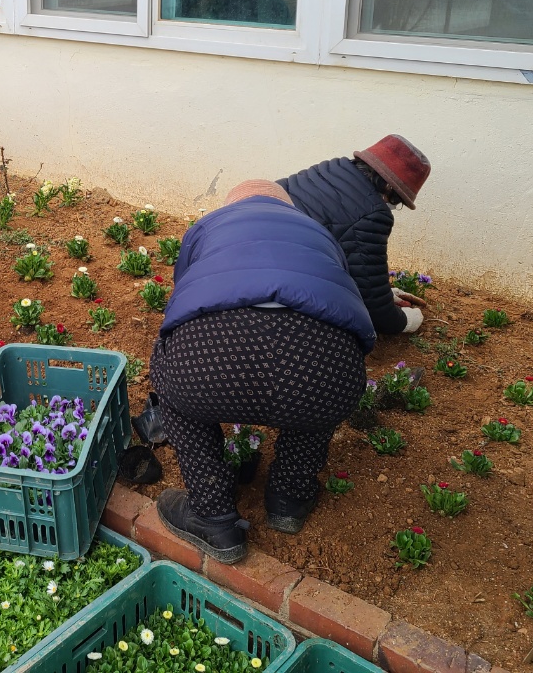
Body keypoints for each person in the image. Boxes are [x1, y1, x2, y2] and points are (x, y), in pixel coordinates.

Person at [150, 179, 376, 564]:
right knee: (323, 379)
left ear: (229, 206)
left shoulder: (208, 226)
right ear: (288, 208)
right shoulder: (319, 232)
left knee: (172, 380)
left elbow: (183, 296)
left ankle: (212, 515)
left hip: (210, 359)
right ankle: (289, 497)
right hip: (323, 368)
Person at [279, 135, 431, 335]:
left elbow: (352, 257)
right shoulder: (371, 214)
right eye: (397, 200)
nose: (393, 206)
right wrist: (406, 321)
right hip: (271, 297)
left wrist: (382, 293)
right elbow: (375, 307)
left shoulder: (327, 171)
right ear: (388, 187)